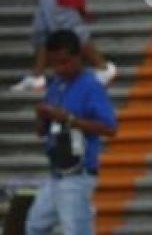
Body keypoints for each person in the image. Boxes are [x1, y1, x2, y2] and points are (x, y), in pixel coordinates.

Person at [24, 30, 117, 235]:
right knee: (34, 225)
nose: (59, 68)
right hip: (57, 171)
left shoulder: (91, 85)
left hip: (78, 173)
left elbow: (110, 127)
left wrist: (70, 119)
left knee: (75, 230)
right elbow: (41, 132)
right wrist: (41, 114)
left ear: (78, 57)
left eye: (64, 62)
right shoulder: (56, 85)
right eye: (54, 64)